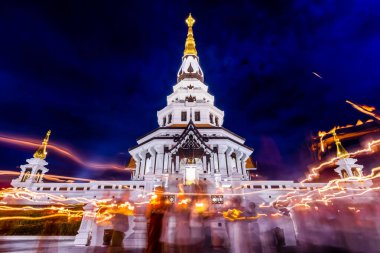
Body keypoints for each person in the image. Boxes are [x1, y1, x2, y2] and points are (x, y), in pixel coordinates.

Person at [145, 186, 166, 253]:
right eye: (156, 191)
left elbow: (170, 212)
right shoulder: (153, 201)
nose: (157, 193)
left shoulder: (166, 201)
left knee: (157, 241)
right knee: (153, 240)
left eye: (159, 191)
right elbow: (147, 215)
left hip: (161, 223)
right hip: (154, 223)